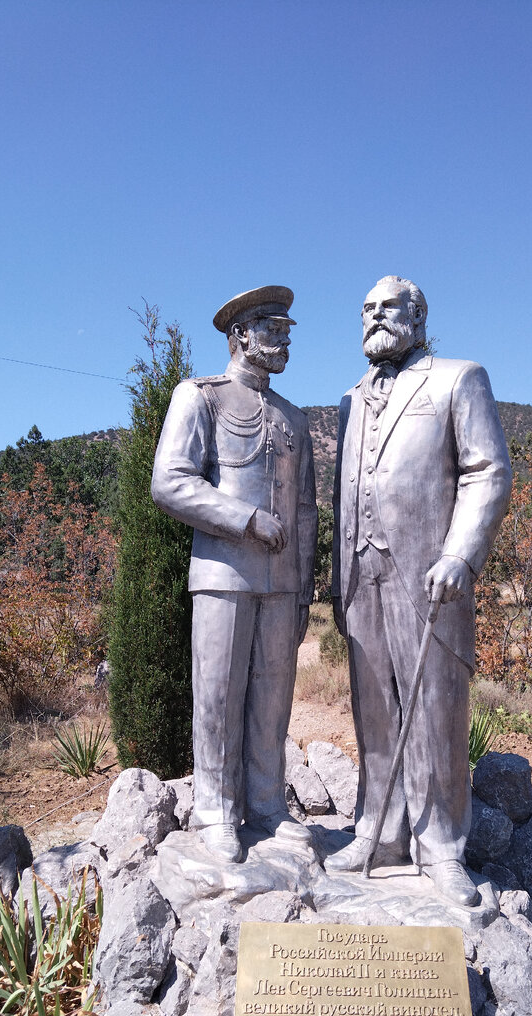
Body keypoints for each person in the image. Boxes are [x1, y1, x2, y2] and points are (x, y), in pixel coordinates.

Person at [326, 275, 512, 904]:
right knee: (375, 712)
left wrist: (461, 552)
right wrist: (335, 575)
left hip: (430, 575)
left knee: (435, 710)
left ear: (418, 315)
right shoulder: (350, 400)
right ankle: (378, 833)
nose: (374, 318)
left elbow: (486, 472)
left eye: (387, 308)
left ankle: (441, 848)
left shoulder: (459, 379)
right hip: (360, 572)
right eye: (366, 310)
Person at [151, 286, 317, 863]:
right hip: (222, 575)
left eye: (287, 329)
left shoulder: (294, 417)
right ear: (240, 334)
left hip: (282, 584)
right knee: (219, 694)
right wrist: (245, 519)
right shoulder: (200, 399)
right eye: (273, 327)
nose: (284, 337)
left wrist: (304, 588)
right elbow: (170, 482)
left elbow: (307, 510)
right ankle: (217, 809)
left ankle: (267, 805)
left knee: (273, 699)